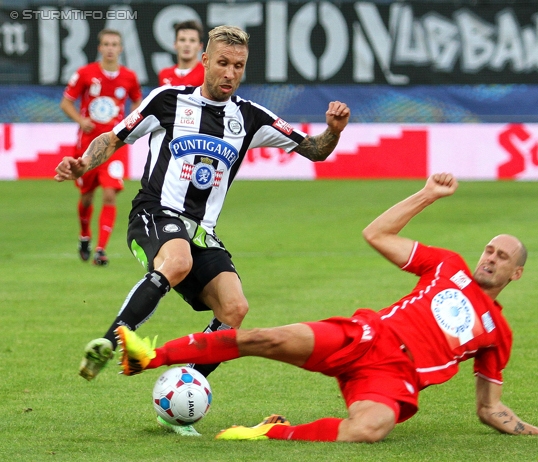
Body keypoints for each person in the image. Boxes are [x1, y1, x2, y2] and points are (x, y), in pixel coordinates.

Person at [116, 172, 538, 442]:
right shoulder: (448, 266)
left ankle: (267, 433)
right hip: (367, 334)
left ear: (516, 274)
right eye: (489, 249)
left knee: (369, 431)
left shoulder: (497, 334)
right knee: (266, 338)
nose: (489, 258)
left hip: (395, 379)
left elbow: (491, 408)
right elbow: (377, 234)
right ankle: (149, 356)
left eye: (502, 257)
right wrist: (426, 195)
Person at [54, 25, 350, 435]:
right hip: (155, 213)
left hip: (202, 231)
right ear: (205, 61)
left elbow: (313, 149)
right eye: (223, 63)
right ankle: (111, 342)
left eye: (239, 66)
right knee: (177, 258)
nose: (230, 73)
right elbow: (114, 137)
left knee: (234, 309)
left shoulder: (250, 117)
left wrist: (333, 131)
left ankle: (182, 391)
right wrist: (83, 162)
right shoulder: (168, 100)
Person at [60, 29, 142, 266]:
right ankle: (84, 235)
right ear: (99, 47)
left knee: (109, 193)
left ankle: (101, 249)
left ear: (120, 49)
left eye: (114, 44)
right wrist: (80, 120)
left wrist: (129, 119)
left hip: (115, 144)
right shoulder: (85, 74)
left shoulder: (129, 77)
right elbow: (66, 102)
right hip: (87, 146)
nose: (110, 48)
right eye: (106, 43)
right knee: (86, 197)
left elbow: (138, 100)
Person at [158, 20, 205, 87]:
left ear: (200, 46)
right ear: (175, 44)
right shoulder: (164, 74)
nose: (187, 44)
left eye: (192, 40)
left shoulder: (207, 74)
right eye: (182, 40)